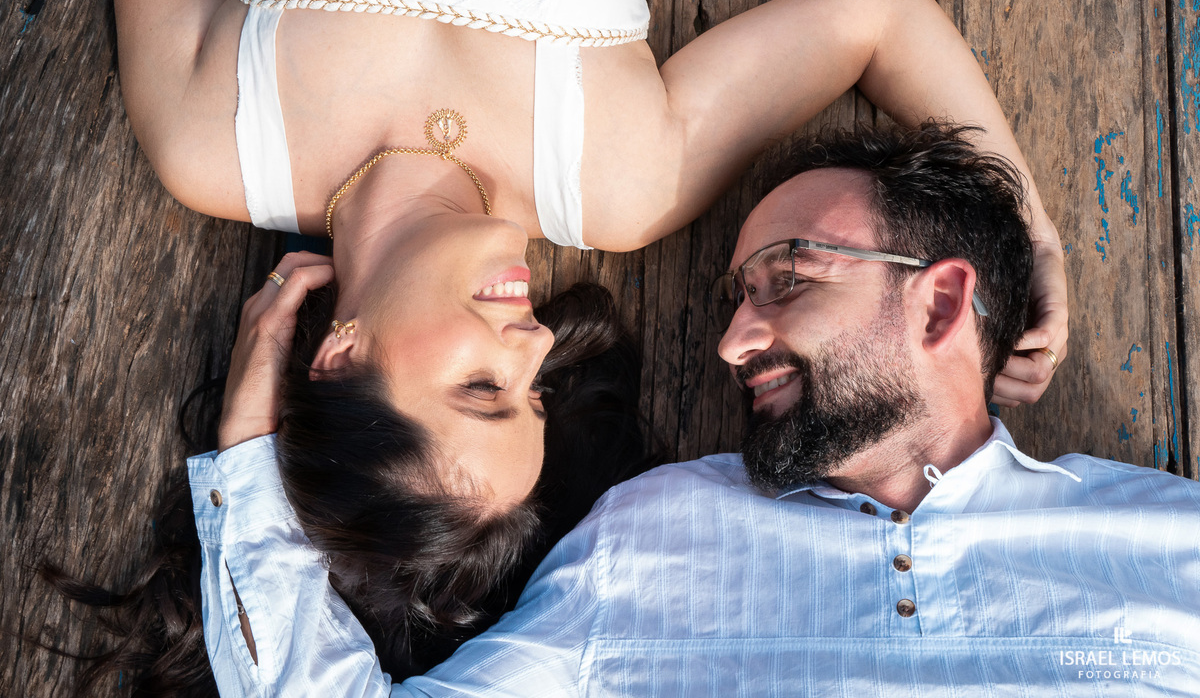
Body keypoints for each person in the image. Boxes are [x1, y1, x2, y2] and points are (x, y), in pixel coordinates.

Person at [104, 0, 1068, 684]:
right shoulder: (618, 179)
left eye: (480, 389)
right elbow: (880, 18)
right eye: (532, 395)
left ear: (340, 355)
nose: (531, 343)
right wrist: (1032, 236)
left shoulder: (211, 137)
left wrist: (246, 466)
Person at [195, 123, 1200, 695]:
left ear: (939, 300)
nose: (730, 342)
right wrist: (246, 457)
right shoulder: (647, 534)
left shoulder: (1171, 542)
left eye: (787, 280)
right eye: (734, 297)